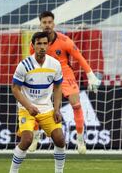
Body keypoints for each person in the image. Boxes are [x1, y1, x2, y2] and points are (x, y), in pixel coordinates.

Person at [28, 11, 101, 154]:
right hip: (45, 74)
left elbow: (79, 57)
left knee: (77, 104)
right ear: (40, 24)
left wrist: (90, 74)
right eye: (44, 22)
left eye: (50, 22)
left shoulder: (64, 40)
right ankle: (35, 137)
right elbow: (31, 61)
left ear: (53, 24)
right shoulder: (35, 42)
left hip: (64, 73)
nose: (47, 25)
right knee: (36, 106)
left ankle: (80, 139)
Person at [10, 32, 65, 173]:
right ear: (33, 45)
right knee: (27, 140)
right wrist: (29, 106)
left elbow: (58, 87)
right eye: (39, 43)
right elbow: (15, 89)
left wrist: (57, 109)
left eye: (45, 43)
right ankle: (13, 171)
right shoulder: (24, 65)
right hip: (26, 107)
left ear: (49, 45)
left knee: (60, 139)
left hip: (47, 109)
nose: (42, 47)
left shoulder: (55, 64)